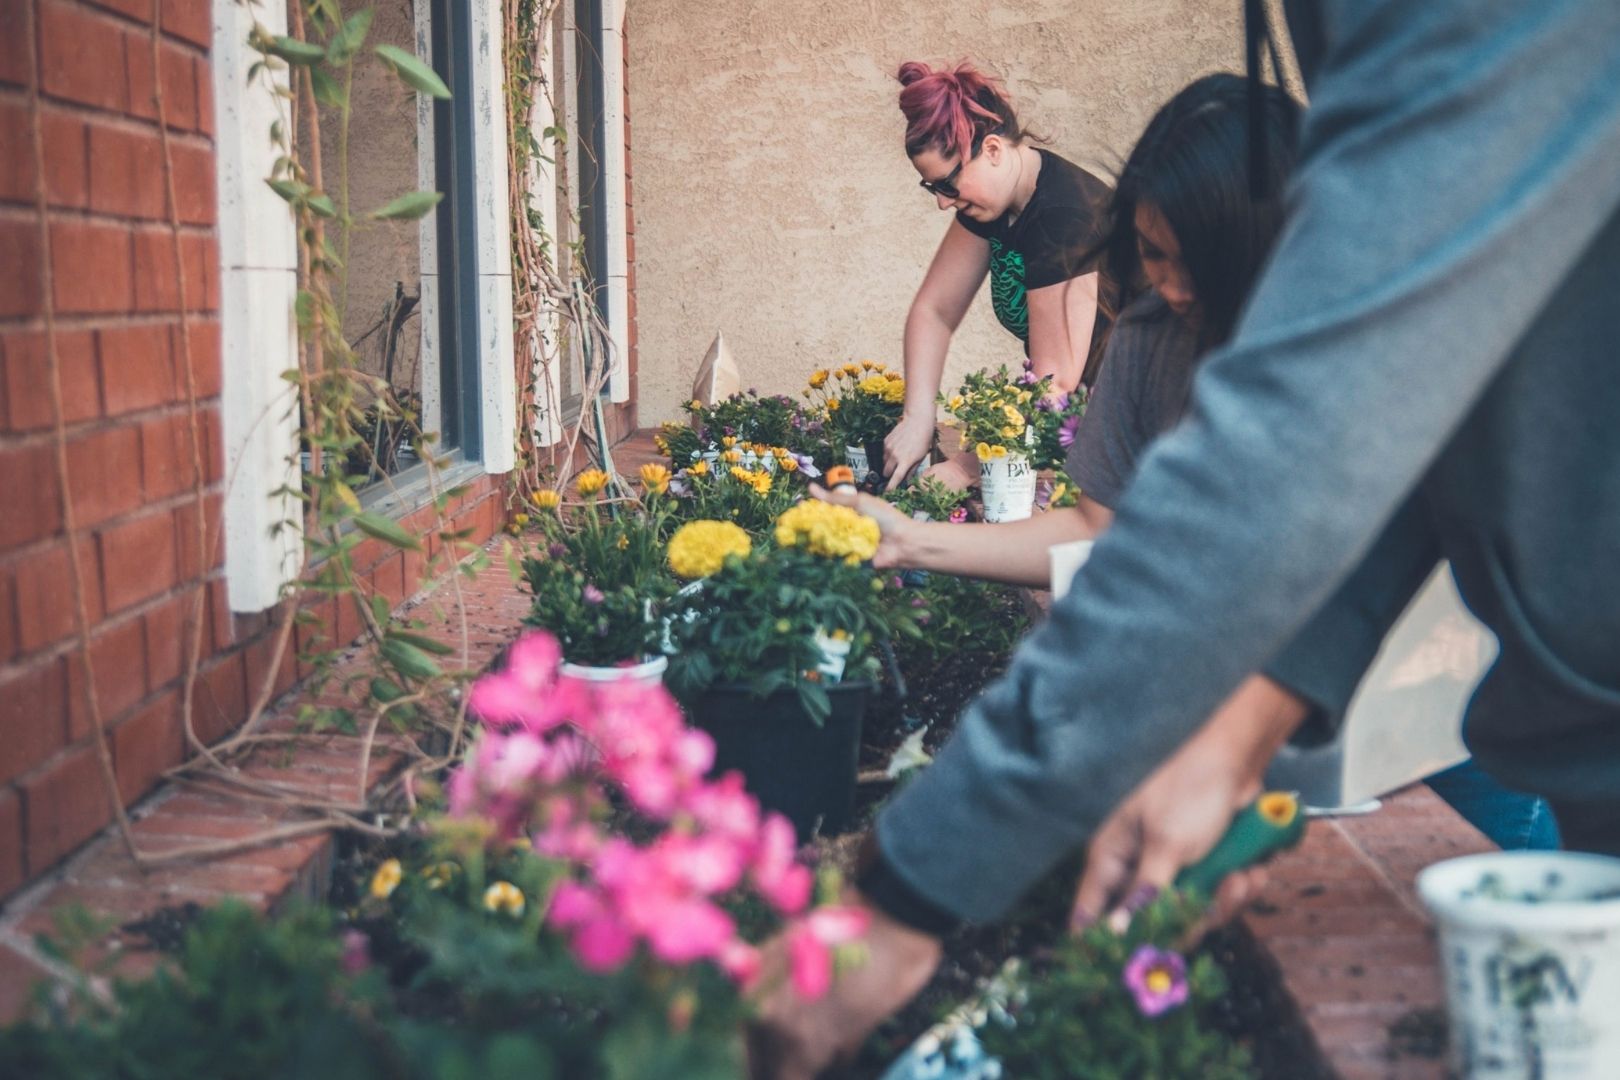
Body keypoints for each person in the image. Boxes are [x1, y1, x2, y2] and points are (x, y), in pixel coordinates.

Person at [755, 0, 1620, 1074]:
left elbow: (1300, 457)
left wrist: (912, 889)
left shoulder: (1479, 35)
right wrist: (1235, 735)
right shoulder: (1160, 316)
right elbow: (1377, 470)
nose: (1160, 295)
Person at [834, 73, 1561, 853]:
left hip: (1458, 694)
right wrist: (911, 540)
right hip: (1288, 709)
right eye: (1150, 256)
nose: (1169, 289)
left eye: (1195, 263)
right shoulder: (1149, 340)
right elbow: (1094, 529)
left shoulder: (1377, 339)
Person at [882, 60, 1112, 492]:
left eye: (948, 184)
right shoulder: (995, 203)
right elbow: (935, 311)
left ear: (991, 150)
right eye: (932, 188)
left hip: (1146, 423)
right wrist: (917, 417)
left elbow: (1055, 388)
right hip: (1085, 426)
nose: (943, 203)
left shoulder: (1062, 219)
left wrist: (965, 468)